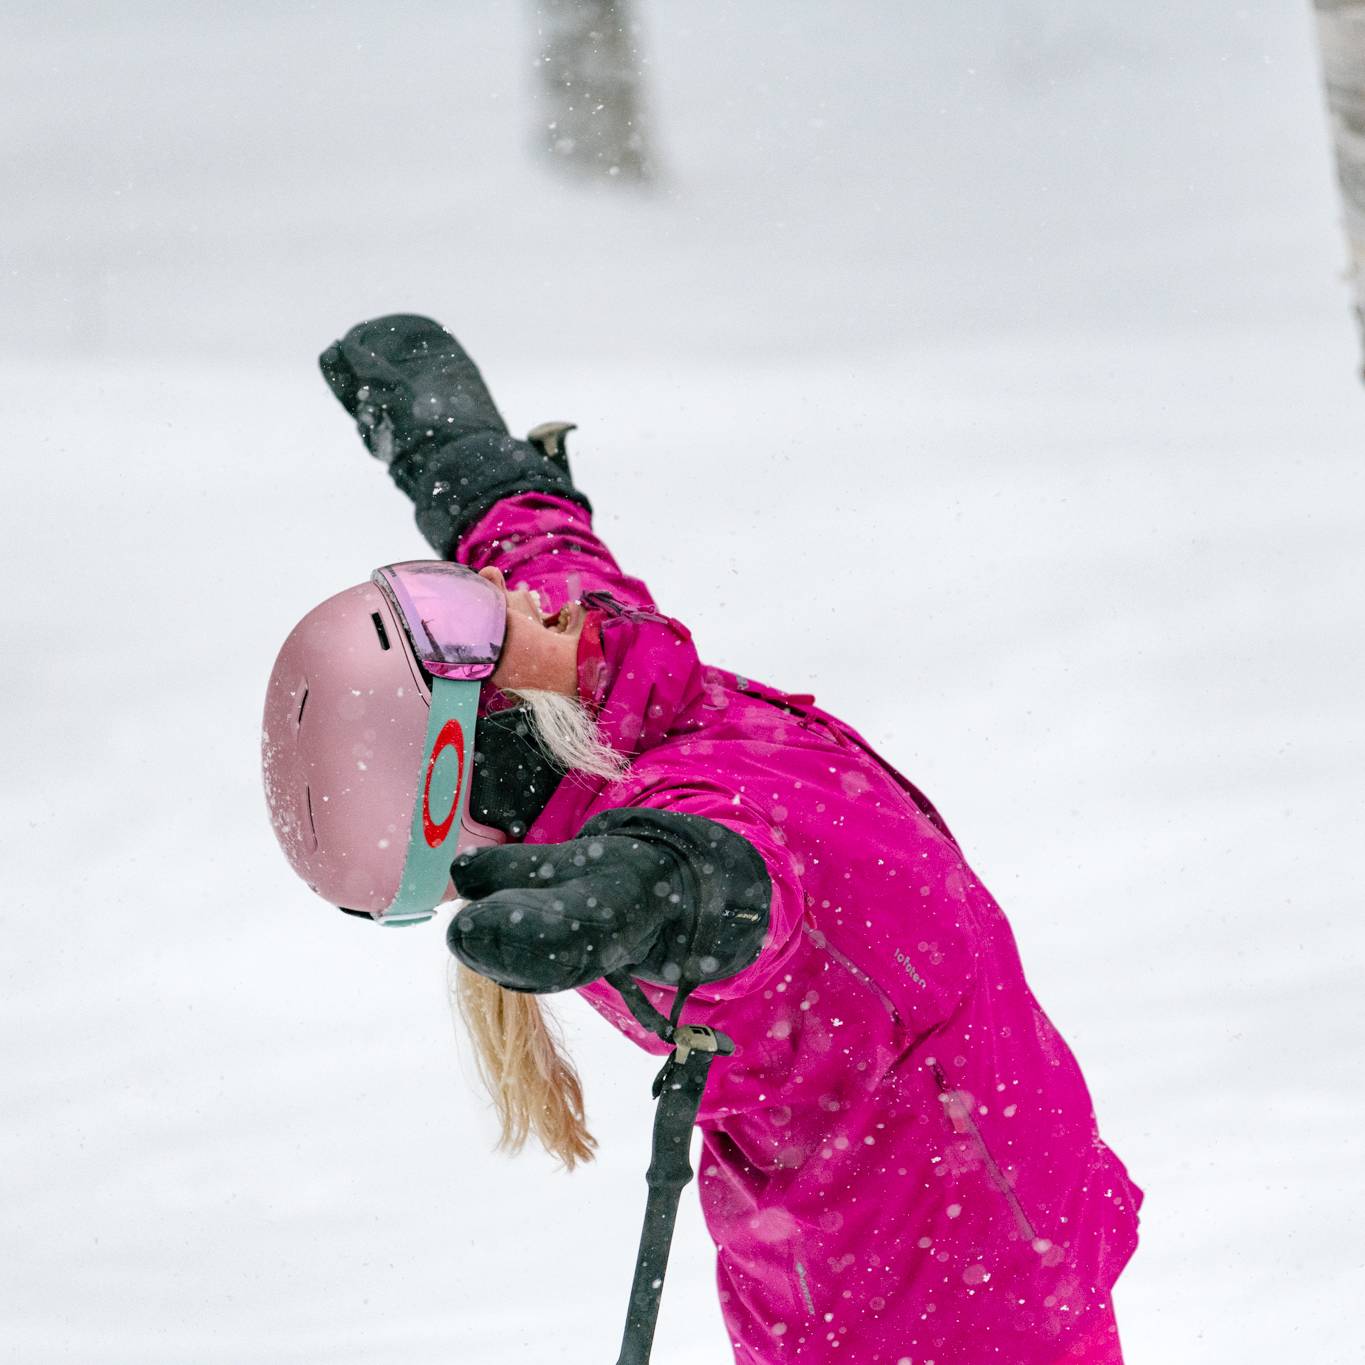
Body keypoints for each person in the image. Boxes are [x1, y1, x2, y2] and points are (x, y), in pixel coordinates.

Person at [264, 314, 1142, 1365]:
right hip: (942, 1315)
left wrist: (466, 458)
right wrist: (656, 896)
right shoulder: (685, 818)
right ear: (481, 733)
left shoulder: (601, 687)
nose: (504, 594)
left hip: (988, 1230)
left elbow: (541, 552)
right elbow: (743, 883)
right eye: (471, 619)